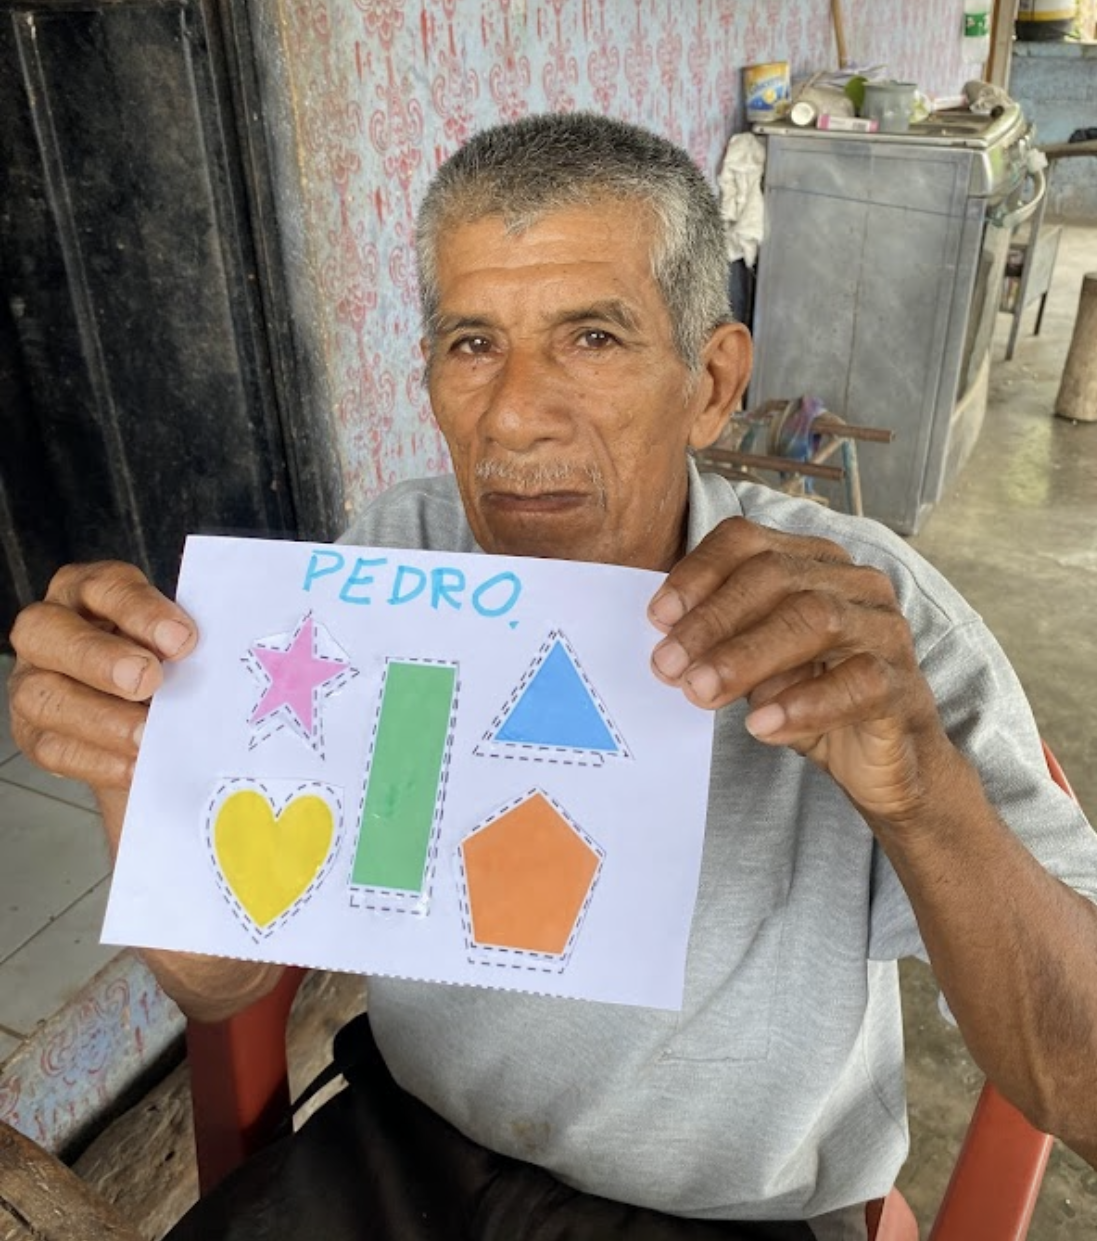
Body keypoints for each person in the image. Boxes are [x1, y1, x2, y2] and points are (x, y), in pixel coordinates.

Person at [8, 113, 1097, 1241]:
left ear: (711, 380)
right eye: (472, 343)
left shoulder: (864, 620)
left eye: (592, 336)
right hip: (406, 1145)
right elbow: (223, 983)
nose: (514, 414)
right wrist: (141, 777)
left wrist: (919, 789)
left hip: (718, 1219)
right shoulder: (397, 561)